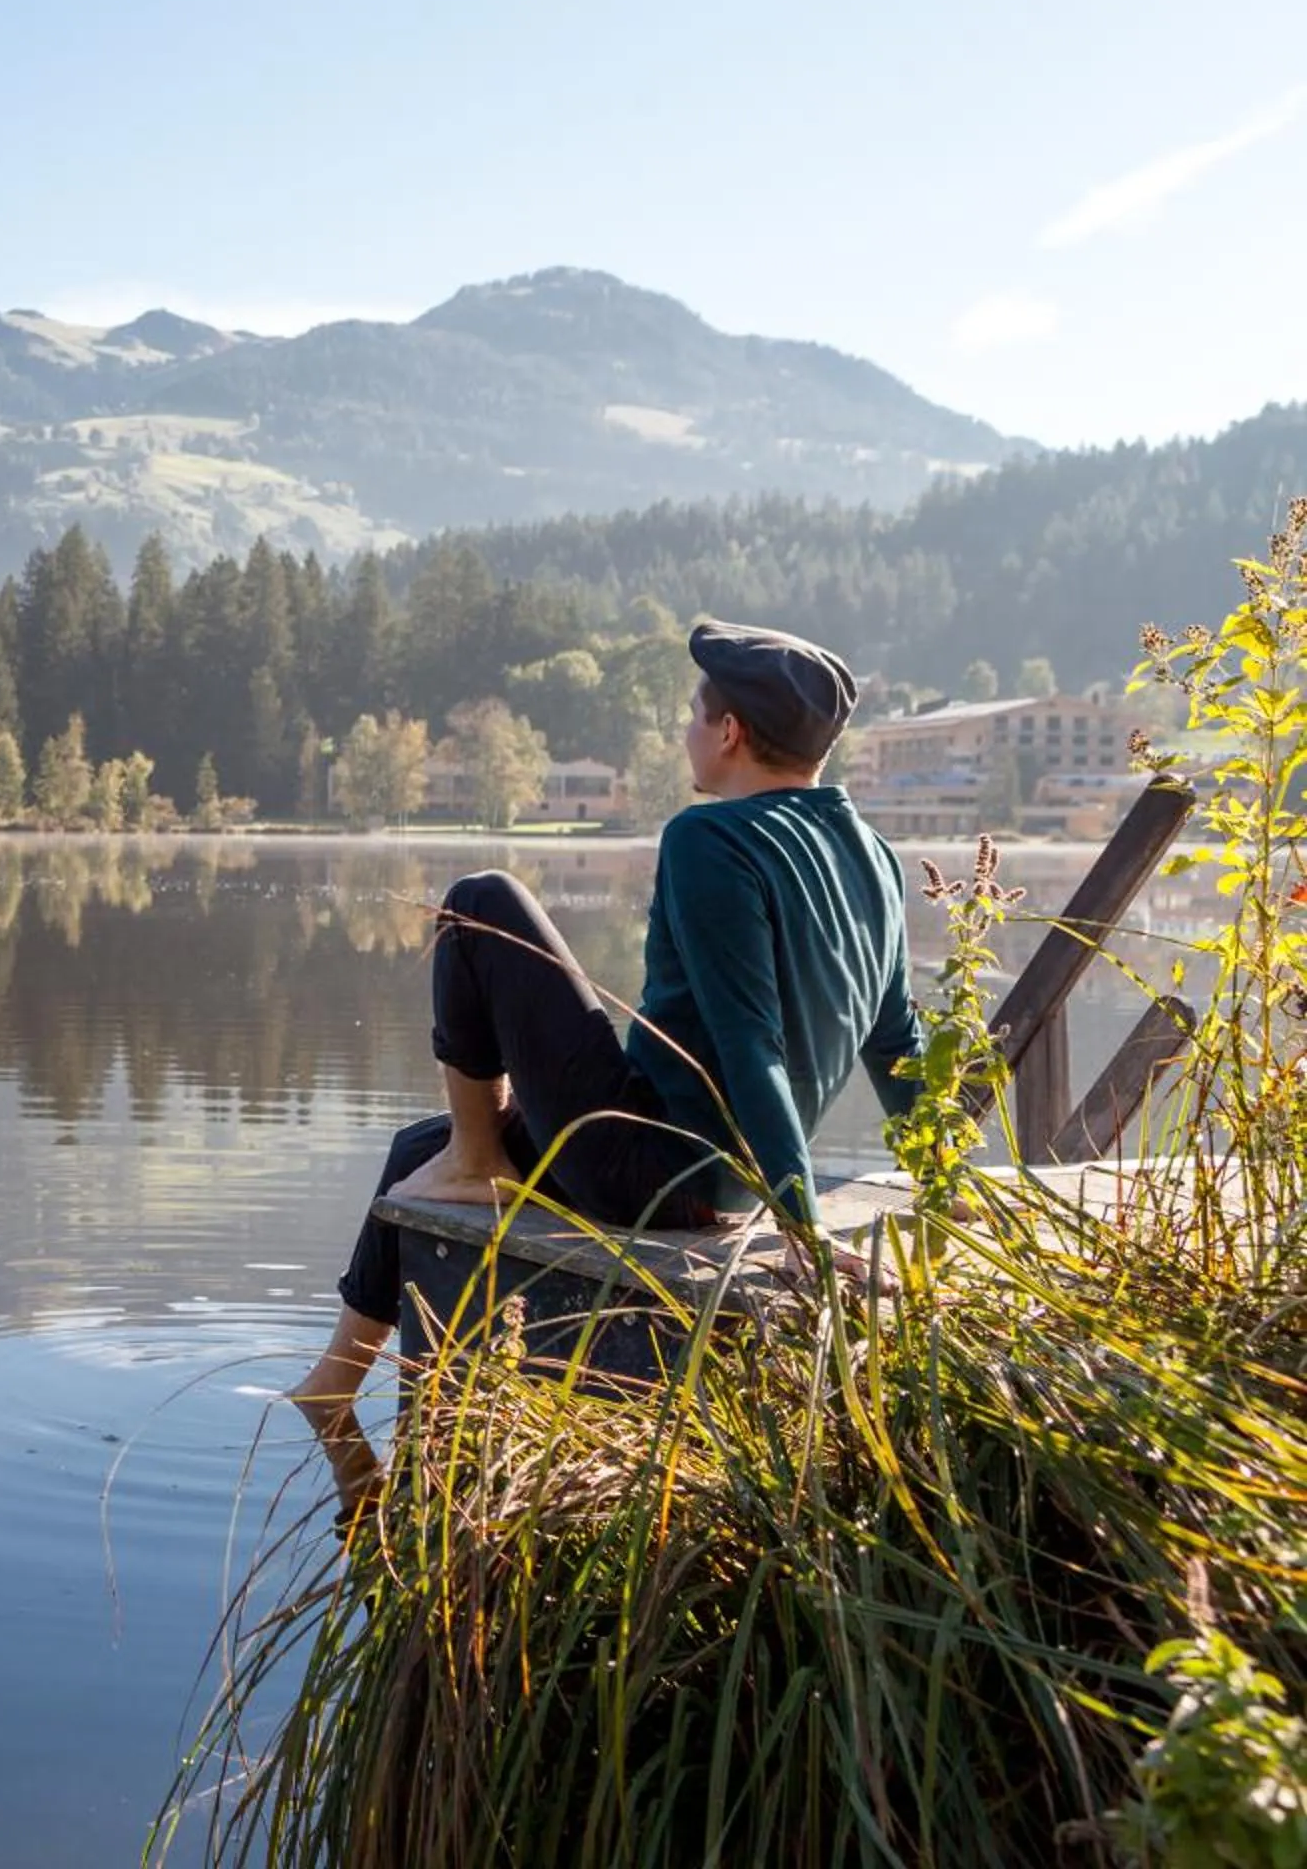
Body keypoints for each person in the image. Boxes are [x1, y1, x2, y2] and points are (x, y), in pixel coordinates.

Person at [289, 620, 925, 1512]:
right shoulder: (875, 856)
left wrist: (803, 1231)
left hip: (654, 1174)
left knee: (484, 902)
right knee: (413, 1155)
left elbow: (753, 1047)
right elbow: (898, 1044)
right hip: (708, 1172)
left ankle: (479, 1163)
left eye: (693, 717)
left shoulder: (713, 840)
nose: (685, 735)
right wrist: (936, 1176)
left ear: (731, 732)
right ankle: (335, 1402)